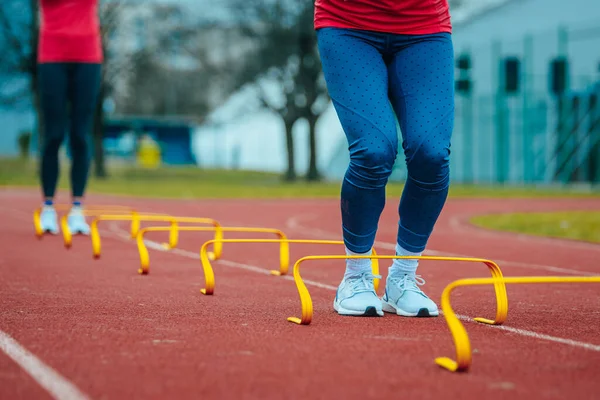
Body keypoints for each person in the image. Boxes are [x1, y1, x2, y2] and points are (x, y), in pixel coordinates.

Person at [314, 0, 454, 317]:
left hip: (424, 28)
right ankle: (356, 276)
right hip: (347, 23)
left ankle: (403, 278)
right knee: (373, 150)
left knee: (431, 154)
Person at [37, 0, 103, 235]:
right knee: (54, 134)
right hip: (52, 54)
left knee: (80, 135)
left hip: (87, 55)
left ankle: (77, 208)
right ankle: (48, 207)